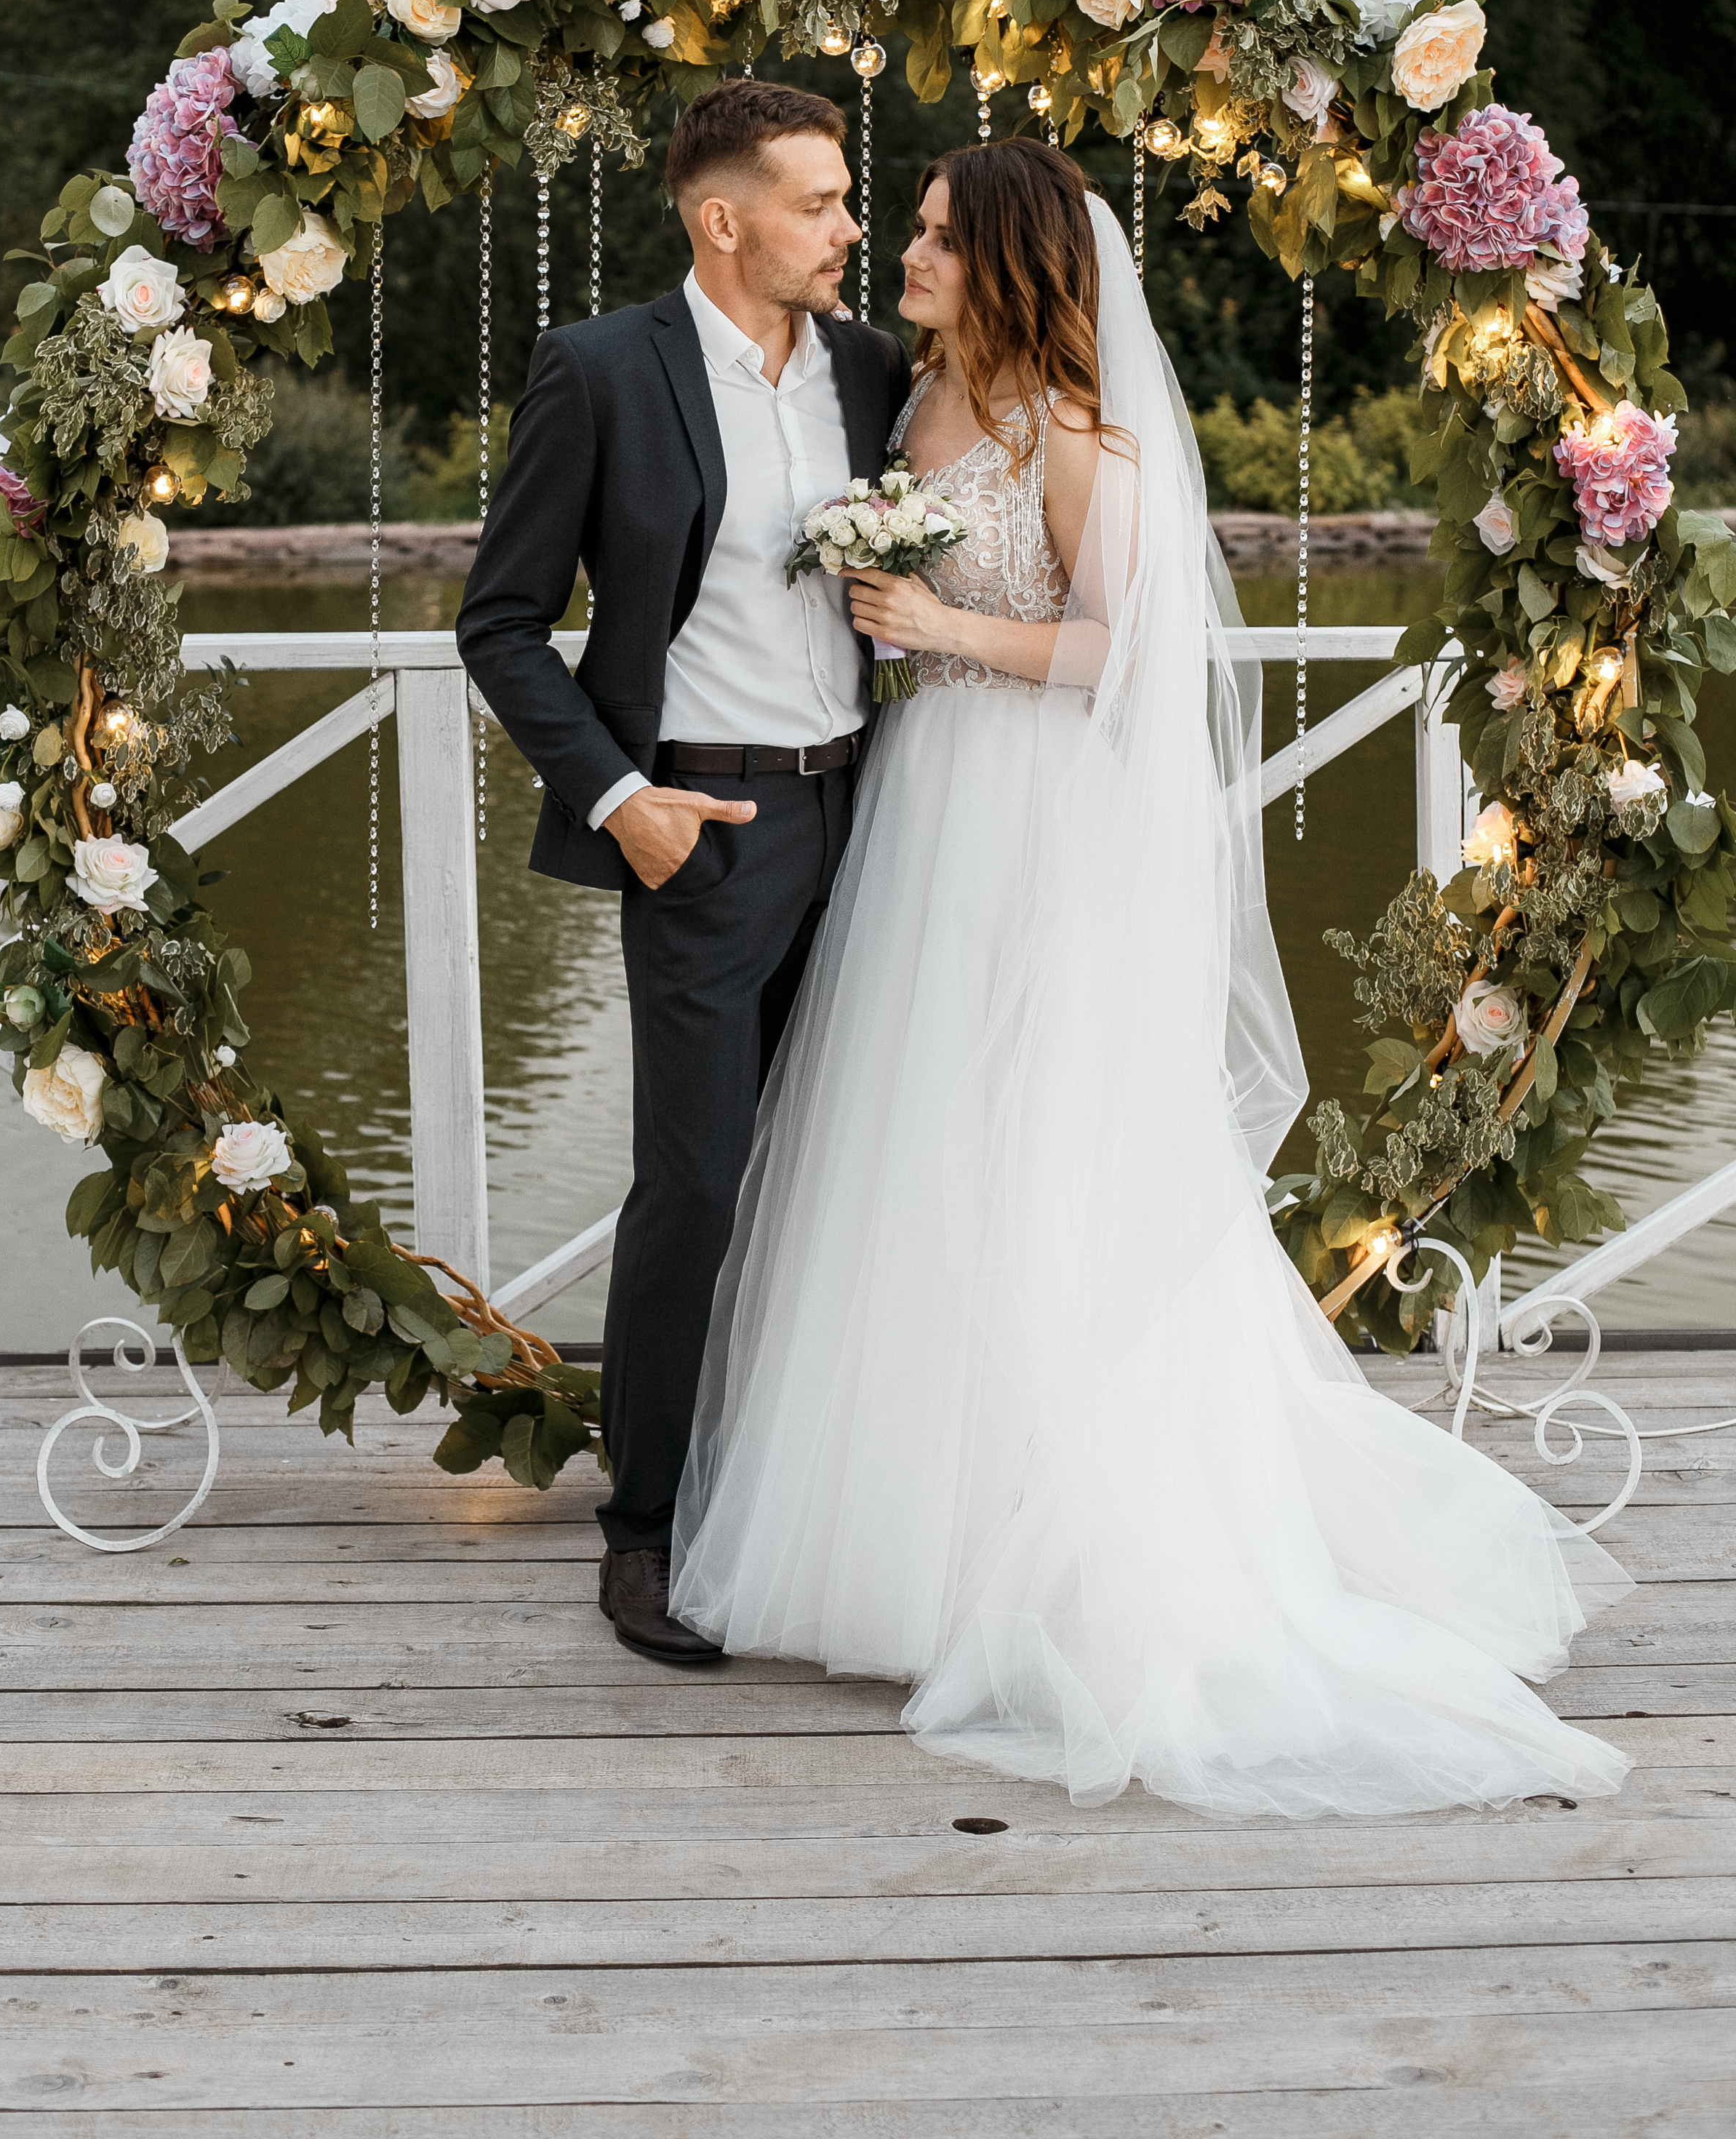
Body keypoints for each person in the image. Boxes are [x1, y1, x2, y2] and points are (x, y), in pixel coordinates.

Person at [670, 139, 1633, 1818]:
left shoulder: (1073, 435)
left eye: (934, 239)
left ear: (1012, 266)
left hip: (1033, 821)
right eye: (899, 232)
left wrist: (940, 628)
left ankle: (1064, 1528)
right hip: (923, 816)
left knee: (1042, 1148)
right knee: (923, 1147)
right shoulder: (910, 411)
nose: (901, 254)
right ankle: (919, 1528)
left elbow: (1133, 649)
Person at [456, 79, 911, 1666]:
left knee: (857, 1174)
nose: (846, 225)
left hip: (878, 819)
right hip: (704, 833)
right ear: (723, 221)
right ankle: (644, 1531)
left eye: (849, 200)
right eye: (818, 201)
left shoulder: (873, 368)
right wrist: (619, 799)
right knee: (699, 1185)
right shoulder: (597, 373)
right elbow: (497, 624)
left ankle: (814, 1490)